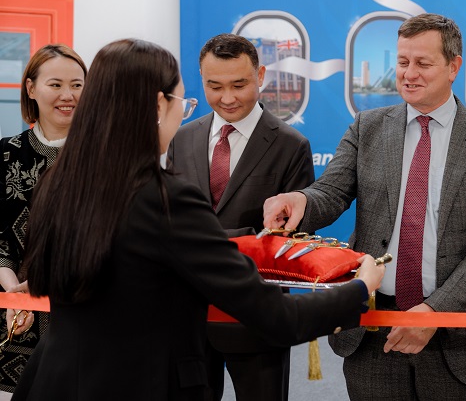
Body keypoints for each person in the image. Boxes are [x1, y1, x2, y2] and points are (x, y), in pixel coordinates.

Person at [13, 38, 384, 400]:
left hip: (56, 376)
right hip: (140, 380)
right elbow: (275, 315)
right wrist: (358, 289)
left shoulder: (59, 181)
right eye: (184, 99)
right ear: (159, 104)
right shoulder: (164, 199)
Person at [263, 13, 466, 400]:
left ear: (453, 66)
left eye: (423, 63)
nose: (409, 73)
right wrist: (298, 200)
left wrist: (434, 312)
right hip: (372, 327)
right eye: (402, 62)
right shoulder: (367, 126)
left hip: (454, 335)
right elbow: (330, 193)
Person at [167, 33, 314, 401]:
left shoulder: (290, 145)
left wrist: (202, 241)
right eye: (214, 86)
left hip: (257, 314)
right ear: (201, 80)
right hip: (187, 313)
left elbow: (293, 238)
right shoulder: (181, 138)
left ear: (260, 75)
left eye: (239, 84)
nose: (227, 98)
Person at [0, 44, 87, 397]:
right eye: (56, 85)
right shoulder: (5, 153)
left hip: (83, 322)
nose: (68, 95)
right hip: (14, 320)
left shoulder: (104, 159)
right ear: (31, 89)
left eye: (78, 85)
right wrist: (12, 292)